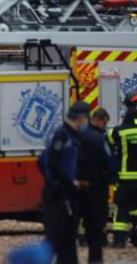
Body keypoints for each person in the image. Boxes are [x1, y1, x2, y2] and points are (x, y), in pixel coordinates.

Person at [39, 101, 91, 264]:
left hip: (66, 195)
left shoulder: (71, 136)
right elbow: (49, 162)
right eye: (86, 119)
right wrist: (69, 182)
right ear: (82, 118)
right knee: (55, 239)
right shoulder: (62, 135)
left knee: (68, 241)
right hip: (58, 195)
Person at [76, 107, 114, 263]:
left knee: (81, 220)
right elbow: (109, 163)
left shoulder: (75, 137)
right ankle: (95, 258)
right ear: (98, 120)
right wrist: (110, 178)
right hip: (97, 188)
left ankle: (81, 239)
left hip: (79, 188)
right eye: (104, 123)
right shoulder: (99, 139)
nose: (105, 127)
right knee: (97, 223)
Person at [107, 100, 137, 248]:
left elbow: (107, 139)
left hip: (125, 178)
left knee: (121, 208)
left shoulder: (119, 131)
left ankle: (119, 241)